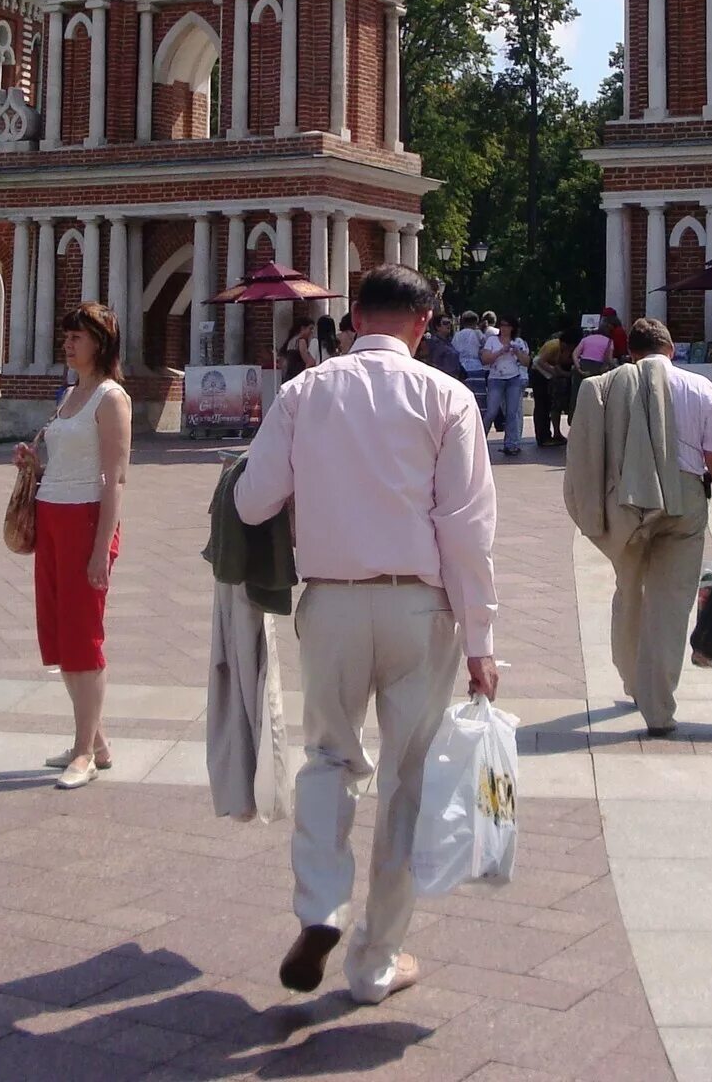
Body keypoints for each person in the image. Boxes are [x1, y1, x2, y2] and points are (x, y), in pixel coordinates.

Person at [237, 263, 499, 1006]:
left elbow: (255, 503)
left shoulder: (303, 392)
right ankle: (376, 960)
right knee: (406, 782)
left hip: (332, 601)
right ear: (423, 325)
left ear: (352, 320)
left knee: (327, 758)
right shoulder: (447, 396)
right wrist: (481, 641)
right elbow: (467, 529)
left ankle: (321, 904)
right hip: (421, 606)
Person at [561, 316, 712, 737]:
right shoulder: (699, 388)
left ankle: (631, 681)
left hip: (627, 498)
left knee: (630, 592)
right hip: (684, 501)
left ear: (631, 354)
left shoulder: (610, 387)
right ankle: (659, 707)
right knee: (670, 606)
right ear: (672, 350)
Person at [14, 302, 131, 789]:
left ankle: (84, 752)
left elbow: (116, 479)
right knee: (60, 635)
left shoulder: (111, 398)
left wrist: (102, 547)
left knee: (84, 637)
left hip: (85, 520)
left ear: (99, 344)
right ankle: (94, 739)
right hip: (51, 515)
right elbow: (63, 459)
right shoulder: (69, 395)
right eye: (66, 336)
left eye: (77, 337)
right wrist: (33, 467)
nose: (68, 343)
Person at [483, 315, 530, 456]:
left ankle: (511, 444)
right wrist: (500, 352)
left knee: (512, 413)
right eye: (502, 325)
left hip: (513, 379)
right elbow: (485, 359)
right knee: (491, 411)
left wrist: (516, 351)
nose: (504, 329)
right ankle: (480, 440)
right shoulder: (492, 340)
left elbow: (527, 362)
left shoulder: (518, 342)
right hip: (496, 379)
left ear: (512, 328)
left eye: (507, 326)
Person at [531, 325, 575, 446]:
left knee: (548, 404)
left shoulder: (564, 349)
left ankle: (549, 435)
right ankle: (543, 437)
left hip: (548, 375)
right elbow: (538, 361)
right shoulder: (554, 345)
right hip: (539, 373)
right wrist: (554, 372)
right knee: (542, 406)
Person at [281, 312, 339, 382]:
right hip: (297, 374)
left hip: (291, 374)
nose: (312, 331)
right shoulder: (301, 341)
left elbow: (309, 362)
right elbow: (308, 360)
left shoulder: (291, 341)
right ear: (302, 328)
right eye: (310, 329)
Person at [450, 311, 487, 401]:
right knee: (479, 396)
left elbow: (453, 349)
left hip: (462, 367)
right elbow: (485, 345)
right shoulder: (478, 333)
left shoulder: (457, 335)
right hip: (477, 366)